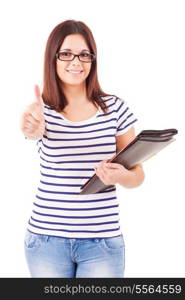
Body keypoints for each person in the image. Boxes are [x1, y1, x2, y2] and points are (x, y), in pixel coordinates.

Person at [20, 19, 145, 278]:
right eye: (66, 54)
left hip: (102, 244)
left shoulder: (115, 109)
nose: (76, 62)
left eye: (84, 55)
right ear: (52, 58)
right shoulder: (42, 111)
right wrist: (31, 128)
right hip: (47, 242)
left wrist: (120, 176)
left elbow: (137, 176)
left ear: (93, 60)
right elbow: (32, 131)